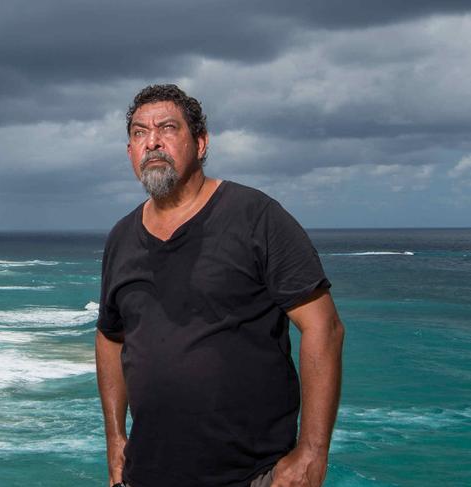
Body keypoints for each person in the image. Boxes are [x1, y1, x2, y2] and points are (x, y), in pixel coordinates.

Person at [95, 84, 344, 487]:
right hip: (147, 474)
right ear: (129, 154)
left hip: (253, 475)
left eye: (167, 128)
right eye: (139, 133)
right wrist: (115, 439)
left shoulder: (255, 217)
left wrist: (313, 452)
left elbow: (324, 328)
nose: (152, 142)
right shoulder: (121, 237)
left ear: (201, 142)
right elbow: (110, 336)